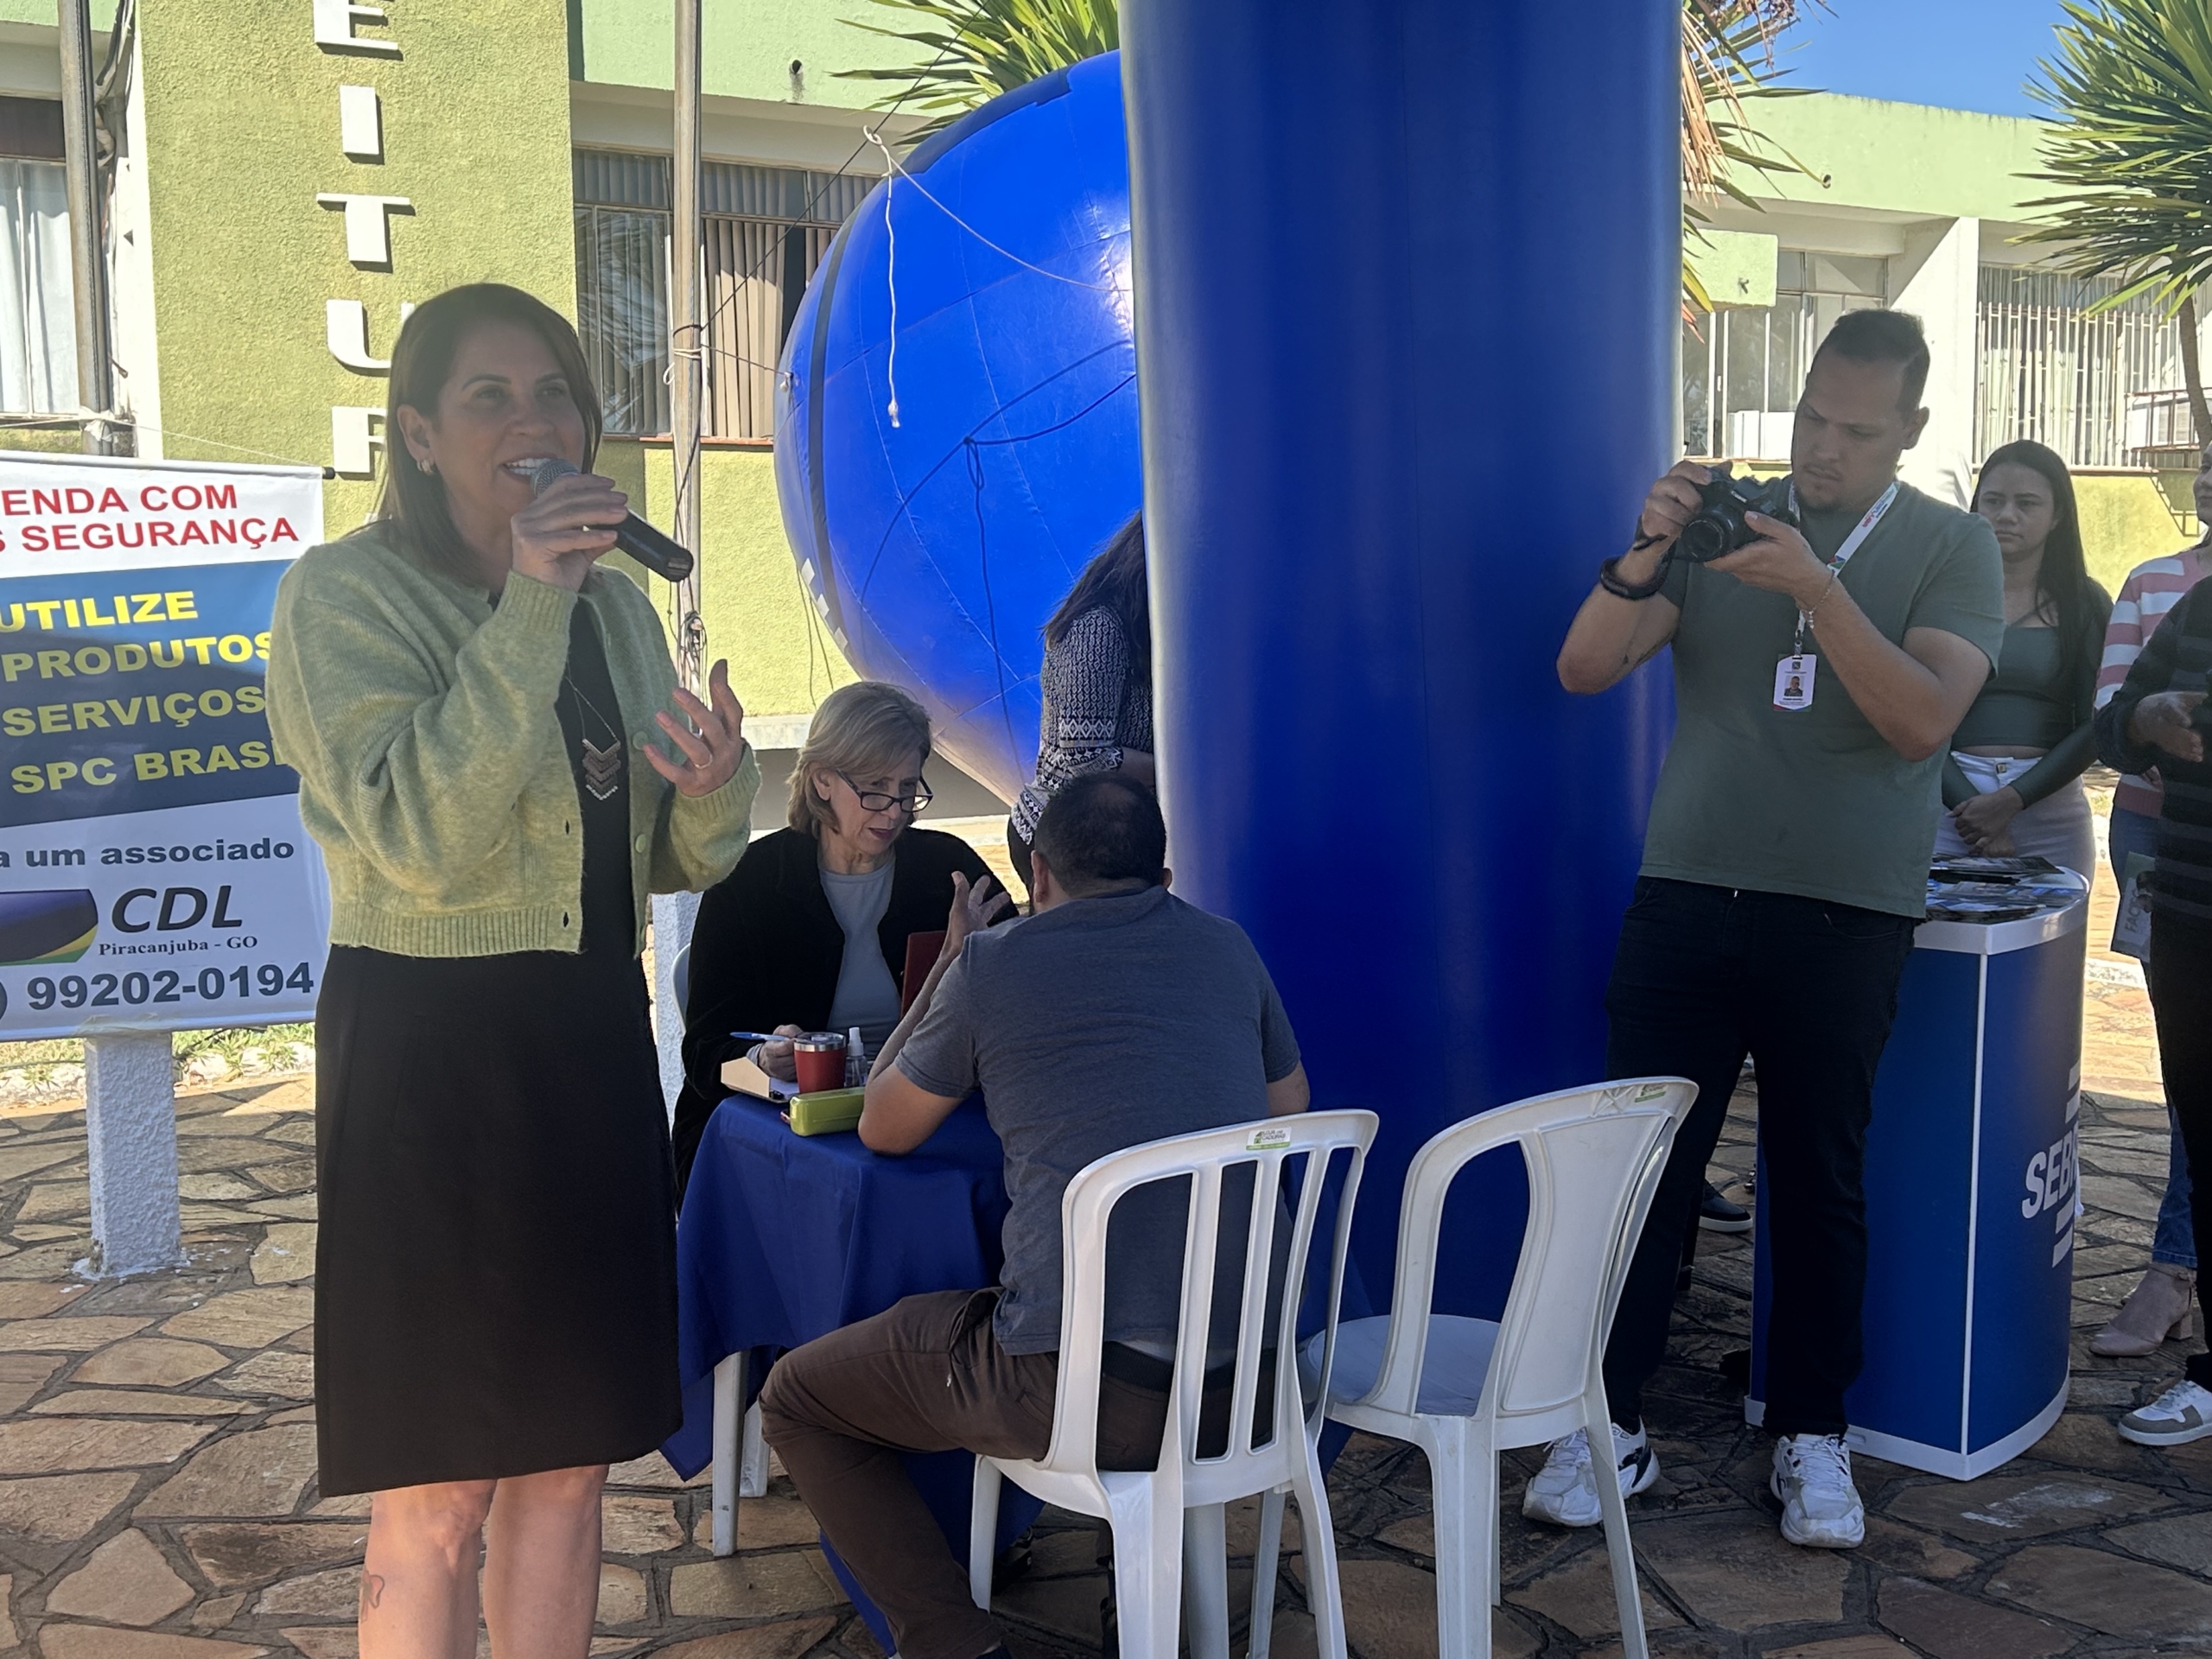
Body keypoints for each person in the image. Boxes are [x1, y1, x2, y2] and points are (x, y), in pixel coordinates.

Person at [265, 284, 758, 1656]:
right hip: (430, 1056)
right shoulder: (342, 598)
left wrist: (717, 787)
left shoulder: (617, 616)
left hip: (588, 1043)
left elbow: (664, 853)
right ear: (419, 434)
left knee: (568, 1460)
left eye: (556, 395)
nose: (534, 422)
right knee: (440, 1484)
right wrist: (536, 599)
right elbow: (423, 835)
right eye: (491, 396)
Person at [1547, 308, 2003, 1548]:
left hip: (1845, 910)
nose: (1822, 448)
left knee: (1816, 1179)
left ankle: (1811, 1431)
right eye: (1810, 418)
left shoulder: (1952, 546)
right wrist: (1651, 546)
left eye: (1856, 430)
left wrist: (1818, 587)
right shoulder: (1727, 528)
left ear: (1909, 430)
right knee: (1645, 1170)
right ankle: (1607, 1421)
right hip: (1687, 893)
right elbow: (1584, 668)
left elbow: (1920, 722)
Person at [759, 773, 1311, 1659]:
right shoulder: (1227, 946)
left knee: (797, 1398)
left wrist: (951, 962)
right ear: (1165, 878)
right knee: (1123, 1283)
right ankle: (1135, 1608)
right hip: (1251, 1390)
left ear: (1039, 875)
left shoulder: (993, 965)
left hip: (1092, 1401)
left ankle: (953, 1643)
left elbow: (882, 1128)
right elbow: (1289, 1105)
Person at [672, 679, 1003, 1192]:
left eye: (908, 789)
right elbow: (703, 1053)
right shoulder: (749, 882)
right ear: (822, 780)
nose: (893, 810)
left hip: (929, 1113)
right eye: (875, 788)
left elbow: (1017, 995)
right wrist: (762, 1058)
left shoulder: (948, 869)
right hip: (786, 1131)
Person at [2088, 442, 2212, 1357]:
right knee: (2196, 1114)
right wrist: (2145, 718)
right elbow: (2113, 728)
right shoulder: (2192, 603)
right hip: (2191, 912)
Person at [1934, 441, 2111, 875]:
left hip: (2052, 812)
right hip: (1947, 811)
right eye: (1993, 501)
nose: (2007, 515)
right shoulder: (1937, 594)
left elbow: (2100, 721)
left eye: (2027, 503)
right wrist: (1973, 810)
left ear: (2058, 515)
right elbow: (1908, 712)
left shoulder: (2085, 604)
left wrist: (2013, 800)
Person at [1007, 512, 1154, 895]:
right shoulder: (1099, 629)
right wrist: (1180, 771)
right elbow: (1085, 756)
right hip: (1065, 838)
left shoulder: (1151, 631)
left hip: (1117, 834)